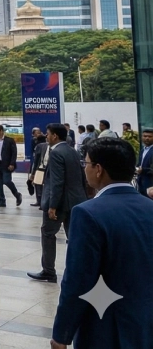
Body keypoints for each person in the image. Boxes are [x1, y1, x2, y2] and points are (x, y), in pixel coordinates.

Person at [51, 137, 153, 349]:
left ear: (98, 169)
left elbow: (78, 280)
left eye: (86, 163)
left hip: (108, 328)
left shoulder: (88, 213)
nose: (84, 169)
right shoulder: (148, 207)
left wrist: (62, 334)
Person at [28, 123, 86, 284]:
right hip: (75, 201)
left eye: (48, 134)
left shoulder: (56, 153)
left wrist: (52, 206)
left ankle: (48, 271)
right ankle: (79, 271)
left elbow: (57, 181)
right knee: (73, 237)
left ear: (54, 136)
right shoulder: (72, 151)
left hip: (59, 203)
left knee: (48, 234)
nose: (46, 136)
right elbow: (81, 177)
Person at [0, 124, 22, 207]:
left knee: (7, 181)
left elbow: (14, 153)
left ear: (1, 131)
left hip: (6, 165)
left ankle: (17, 194)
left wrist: (12, 163)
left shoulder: (9, 141)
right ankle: (1, 201)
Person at [137, 128, 153, 197]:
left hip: (151, 184)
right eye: (145, 136)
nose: (147, 138)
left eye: (149, 136)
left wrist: (143, 170)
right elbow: (140, 164)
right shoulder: (142, 150)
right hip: (141, 182)